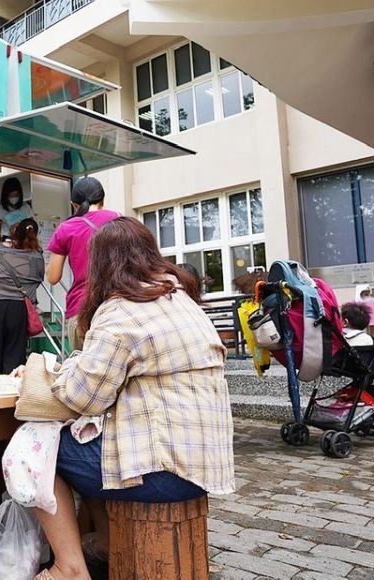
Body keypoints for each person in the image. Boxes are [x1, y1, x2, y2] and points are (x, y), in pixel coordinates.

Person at [25, 217, 235, 580]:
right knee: (87, 441)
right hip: (205, 464)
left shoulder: (120, 312)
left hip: (162, 470)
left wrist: (38, 373)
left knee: (34, 448)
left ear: (99, 264)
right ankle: (106, 540)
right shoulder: (180, 298)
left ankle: (68, 567)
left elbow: (82, 398)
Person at [46, 177, 120, 351]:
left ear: (74, 204)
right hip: (116, 304)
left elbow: (53, 277)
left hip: (81, 308)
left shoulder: (66, 228)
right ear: (102, 200)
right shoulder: (118, 219)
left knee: (83, 373)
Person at [0, 218, 46, 374]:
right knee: (15, 358)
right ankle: (10, 393)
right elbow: (38, 280)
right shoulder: (37, 258)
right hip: (19, 309)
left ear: (13, 234)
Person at [0, 176, 34, 241]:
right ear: (6, 195)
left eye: (16, 195)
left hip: (23, 239)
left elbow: (32, 225)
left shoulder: (26, 207)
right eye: (11, 196)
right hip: (7, 239)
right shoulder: (0, 209)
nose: (14, 198)